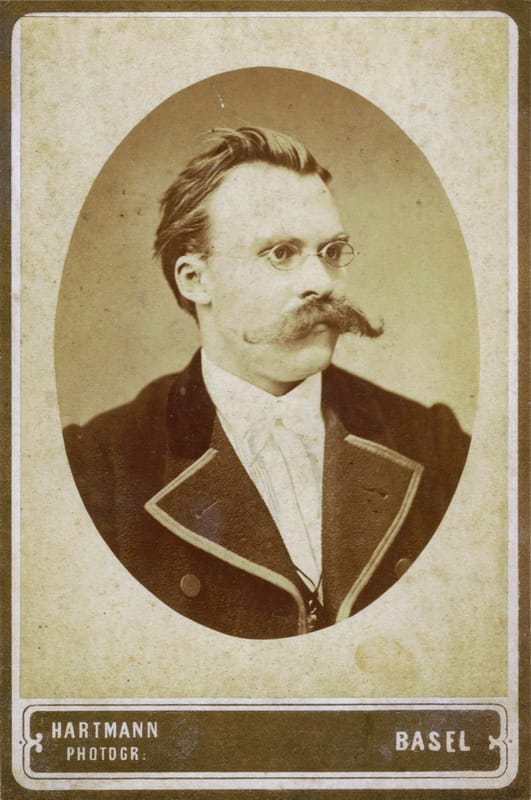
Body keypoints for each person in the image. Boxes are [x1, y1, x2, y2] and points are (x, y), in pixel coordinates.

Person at [64, 126, 470, 639]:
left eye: (331, 251)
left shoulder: (432, 442)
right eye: (280, 253)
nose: (320, 282)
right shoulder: (99, 467)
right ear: (195, 279)